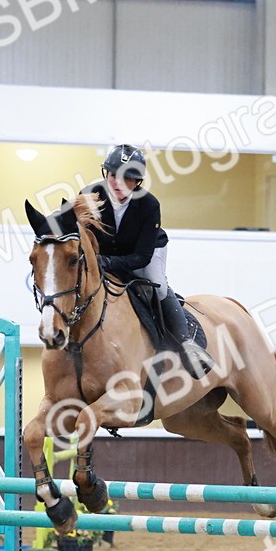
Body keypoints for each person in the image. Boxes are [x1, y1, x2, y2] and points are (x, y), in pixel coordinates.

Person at [81, 144, 210, 377]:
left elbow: (141, 258)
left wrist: (108, 263)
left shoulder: (150, 205)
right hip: (105, 255)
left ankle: (186, 343)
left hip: (145, 253)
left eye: (128, 179)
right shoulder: (89, 196)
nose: (118, 183)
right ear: (106, 174)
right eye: (113, 176)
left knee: (155, 282)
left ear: (137, 182)